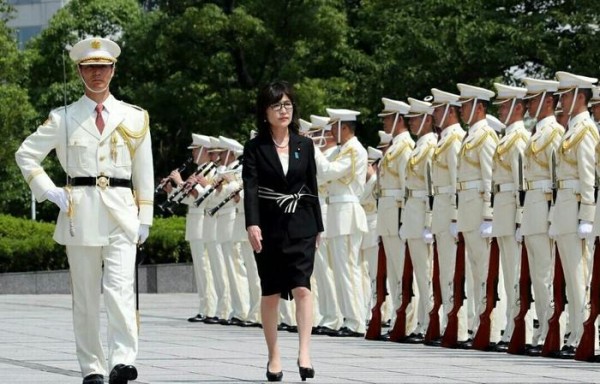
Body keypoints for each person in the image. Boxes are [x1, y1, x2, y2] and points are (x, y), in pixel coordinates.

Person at [15, 37, 153, 384]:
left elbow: (144, 170)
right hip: (81, 214)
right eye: (90, 68)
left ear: (113, 70)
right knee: (87, 296)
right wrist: (48, 191)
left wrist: (146, 217)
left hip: (122, 213)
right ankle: (92, 366)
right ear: (79, 71)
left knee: (121, 291)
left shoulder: (133, 116)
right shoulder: (64, 117)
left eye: (103, 67)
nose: (97, 74)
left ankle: (122, 360)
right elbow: (26, 154)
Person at [243, 81, 323, 382]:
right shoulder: (255, 148)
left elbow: (311, 186)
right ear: (265, 112)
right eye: (276, 105)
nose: (283, 110)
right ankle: (274, 355)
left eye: (287, 104)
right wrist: (252, 223)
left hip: (302, 224)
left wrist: (319, 225)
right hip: (269, 227)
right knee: (272, 291)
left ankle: (304, 352)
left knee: (303, 287)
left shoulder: (305, 145)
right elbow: (250, 187)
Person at [550, 71, 599, 358]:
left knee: (581, 275)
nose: (561, 100)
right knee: (571, 276)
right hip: (564, 209)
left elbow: (588, 175)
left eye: (566, 95)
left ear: (580, 97)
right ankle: (576, 334)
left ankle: (585, 335)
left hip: (575, 210)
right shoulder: (572, 129)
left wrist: (587, 216)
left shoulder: (585, 130)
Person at [315, 107, 369, 337]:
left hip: (347, 211)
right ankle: (348, 318)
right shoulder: (343, 149)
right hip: (339, 213)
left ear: (345, 128)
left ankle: (355, 321)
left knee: (348, 269)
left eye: (335, 127)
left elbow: (328, 172)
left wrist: (313, 151)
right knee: (342, 270)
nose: (331, 132)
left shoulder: (353, 150)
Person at [520, 77, 564, 356]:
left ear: (548, 102)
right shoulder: (537, 134)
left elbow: (557, 178)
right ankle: (543, 331)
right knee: (537, 276)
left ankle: (553, 331)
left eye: (533, 101)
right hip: (533, 210)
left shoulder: (555, 132)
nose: (528, 106)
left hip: (545, 210)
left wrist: (553, 215)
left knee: (546, 275)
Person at [455, 83, 500, 348]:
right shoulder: (470, 136)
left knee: (485, 272)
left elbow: (489, 178)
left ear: (479, 107)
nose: (462, 110)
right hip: (467, 210)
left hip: (478, 211)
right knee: (473, 272)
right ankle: (476, 325)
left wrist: (488, 214)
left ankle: (491, 328)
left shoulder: (485, 136)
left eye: (466, 105)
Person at [490, 83, 531, 352]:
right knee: (507, 275)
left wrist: (520, 217)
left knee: (516, 274)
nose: (501, 111)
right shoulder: (507, 137)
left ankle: (519, 328)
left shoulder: (518, 138)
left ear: (518, 108)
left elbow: (521, 181)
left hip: (512, 210)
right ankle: (509, 326)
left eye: (505, 106)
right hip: (502, 210)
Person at [161, 133, 217, 323]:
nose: (193, 153)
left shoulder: (209, 171)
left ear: (204, 151)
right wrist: (172, 191)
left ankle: (211, 308)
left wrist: (179, 182)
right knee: (200, 270)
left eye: (195, 150)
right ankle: (204, 307)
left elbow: (203, 198)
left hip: (203, 222)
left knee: (205, 267)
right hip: (195, 221)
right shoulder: (200, 171)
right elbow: (190, 199)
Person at [375, 98, 416, 340]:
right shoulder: (394, 147)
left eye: (388, 119)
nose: (385, 123)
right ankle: (398, 320)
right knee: (393, 272)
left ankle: (408, 322)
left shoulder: (405, 146)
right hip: (388, 215)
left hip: (398, 215)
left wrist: (402, 220)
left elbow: (404, 187)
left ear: (399, 120)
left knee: (404, 273)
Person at [429, 88, 468, 346]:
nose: (434, 114)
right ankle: (448, 325)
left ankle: (460, 328)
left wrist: (455, 217)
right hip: (440, 210)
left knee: (456, 273)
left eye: (438, 109)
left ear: (449, 111)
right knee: (444, 273)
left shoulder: (455, 140)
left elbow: (456, 180)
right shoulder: (444, 139)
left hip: (449, 210)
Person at [400, 97, 438, 343]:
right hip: (412, 213)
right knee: (420, 274)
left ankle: (430, 322)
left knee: (427, 273)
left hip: (422, 214)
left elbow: (431, 186)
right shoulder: (419, 145)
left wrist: (428, 220)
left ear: (427, 119)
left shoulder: (431, 145)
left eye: (415, 118)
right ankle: (424, 321)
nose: (411, 122)